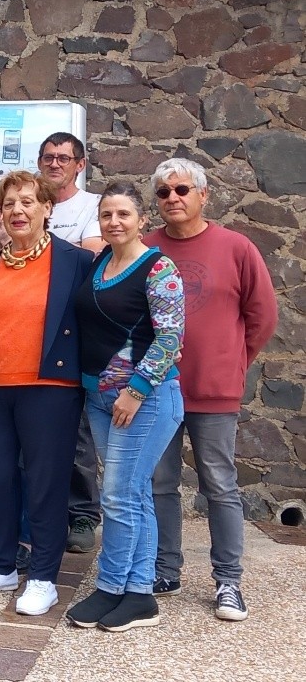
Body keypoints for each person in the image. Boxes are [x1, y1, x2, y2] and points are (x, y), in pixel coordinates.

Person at [0, 171, 94, 616]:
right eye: (10, 204)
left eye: (28, 202)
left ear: (47, 208)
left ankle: (45, 577)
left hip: (50, 389)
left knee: (45, 483)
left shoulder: (74, 261)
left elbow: (97, 322)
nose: (17, 211)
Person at [147, 158, 278, 622]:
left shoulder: (236, 247)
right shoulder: (146, 249)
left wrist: (234, 362)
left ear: (204, 195)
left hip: (213, 389)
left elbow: (263, 316)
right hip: (159, 390)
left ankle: (228, 581)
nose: (173, 198)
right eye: (163, 192)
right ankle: (166, 569)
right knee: (159, 483)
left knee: (219, 485)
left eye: (182, 189)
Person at [64, 181, 185, 632]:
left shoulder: (158, 268)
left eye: (123, 215)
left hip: (144, 399)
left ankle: (113, 586)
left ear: (142, 220)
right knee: (132, 496)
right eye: (107, 215)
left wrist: (136, 390)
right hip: (99, 396)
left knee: (118, 496)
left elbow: (170, 336)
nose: (114, 222)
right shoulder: (100, 263)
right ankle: (136, 594)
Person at [36, 132, 105, 554]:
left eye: (64, 158)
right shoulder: (31, 201)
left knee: (77, 431)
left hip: (75, 329)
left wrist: (38, 252)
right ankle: (45, 514)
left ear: (80, 164)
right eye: (48, 157)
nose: (55, 164)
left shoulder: (92, 206)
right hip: (30, 330)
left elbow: (94, 253)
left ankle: (82, 514)